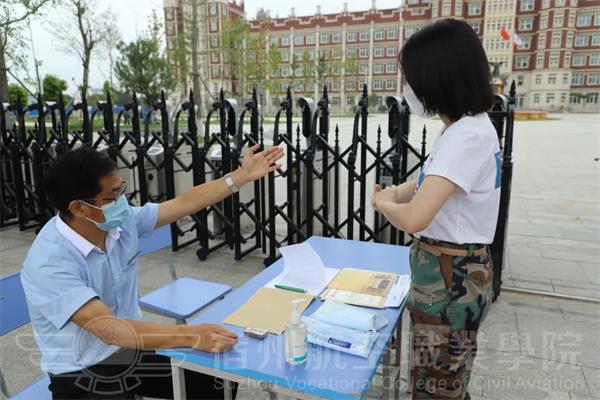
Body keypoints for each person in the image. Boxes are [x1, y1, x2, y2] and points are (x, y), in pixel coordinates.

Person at [21, 144, 284, 400]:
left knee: (217, 376)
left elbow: (183, 203)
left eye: (121, 190)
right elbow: (108, 329)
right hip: (84, 369)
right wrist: (192, 335)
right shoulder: (49, 262)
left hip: (131, 348)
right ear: (79, 208)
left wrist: (242, 175)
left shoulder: (116, 222)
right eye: (113, 196)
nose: (122, 202)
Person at [371, 19, 499, 399]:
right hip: (451, 271)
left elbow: (415, 218)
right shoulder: (465, 128)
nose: (409, 88)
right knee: (445, 378)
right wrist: (397, 190)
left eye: (412, 78)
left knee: (436, 385)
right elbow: (434, 181)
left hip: (449, 279)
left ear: (437, 78)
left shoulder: (465, 137)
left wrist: (383, 203)